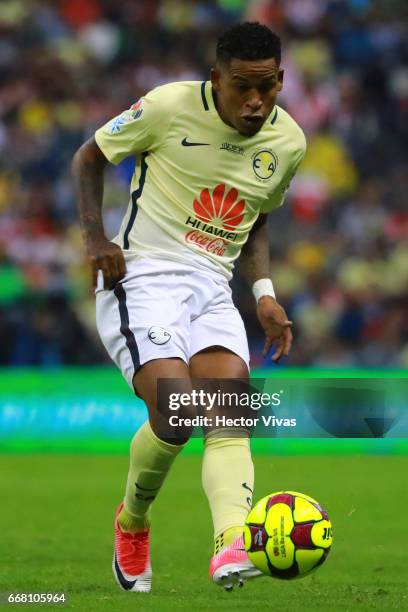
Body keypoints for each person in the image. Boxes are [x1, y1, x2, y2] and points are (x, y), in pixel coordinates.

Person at [71, 21, 306, 593]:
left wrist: (265, 294)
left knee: (230, 411)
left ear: (280, 78)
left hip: (214, 284)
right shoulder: (168, 106)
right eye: (241, 87)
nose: (255, 102)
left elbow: (256, 221)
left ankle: (231, 543)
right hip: (143, 274)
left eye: (267, 88)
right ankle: (132, 523)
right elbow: (89, 157)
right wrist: (96, 240)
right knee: (178, 413)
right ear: (216, 78)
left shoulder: (289, 143)